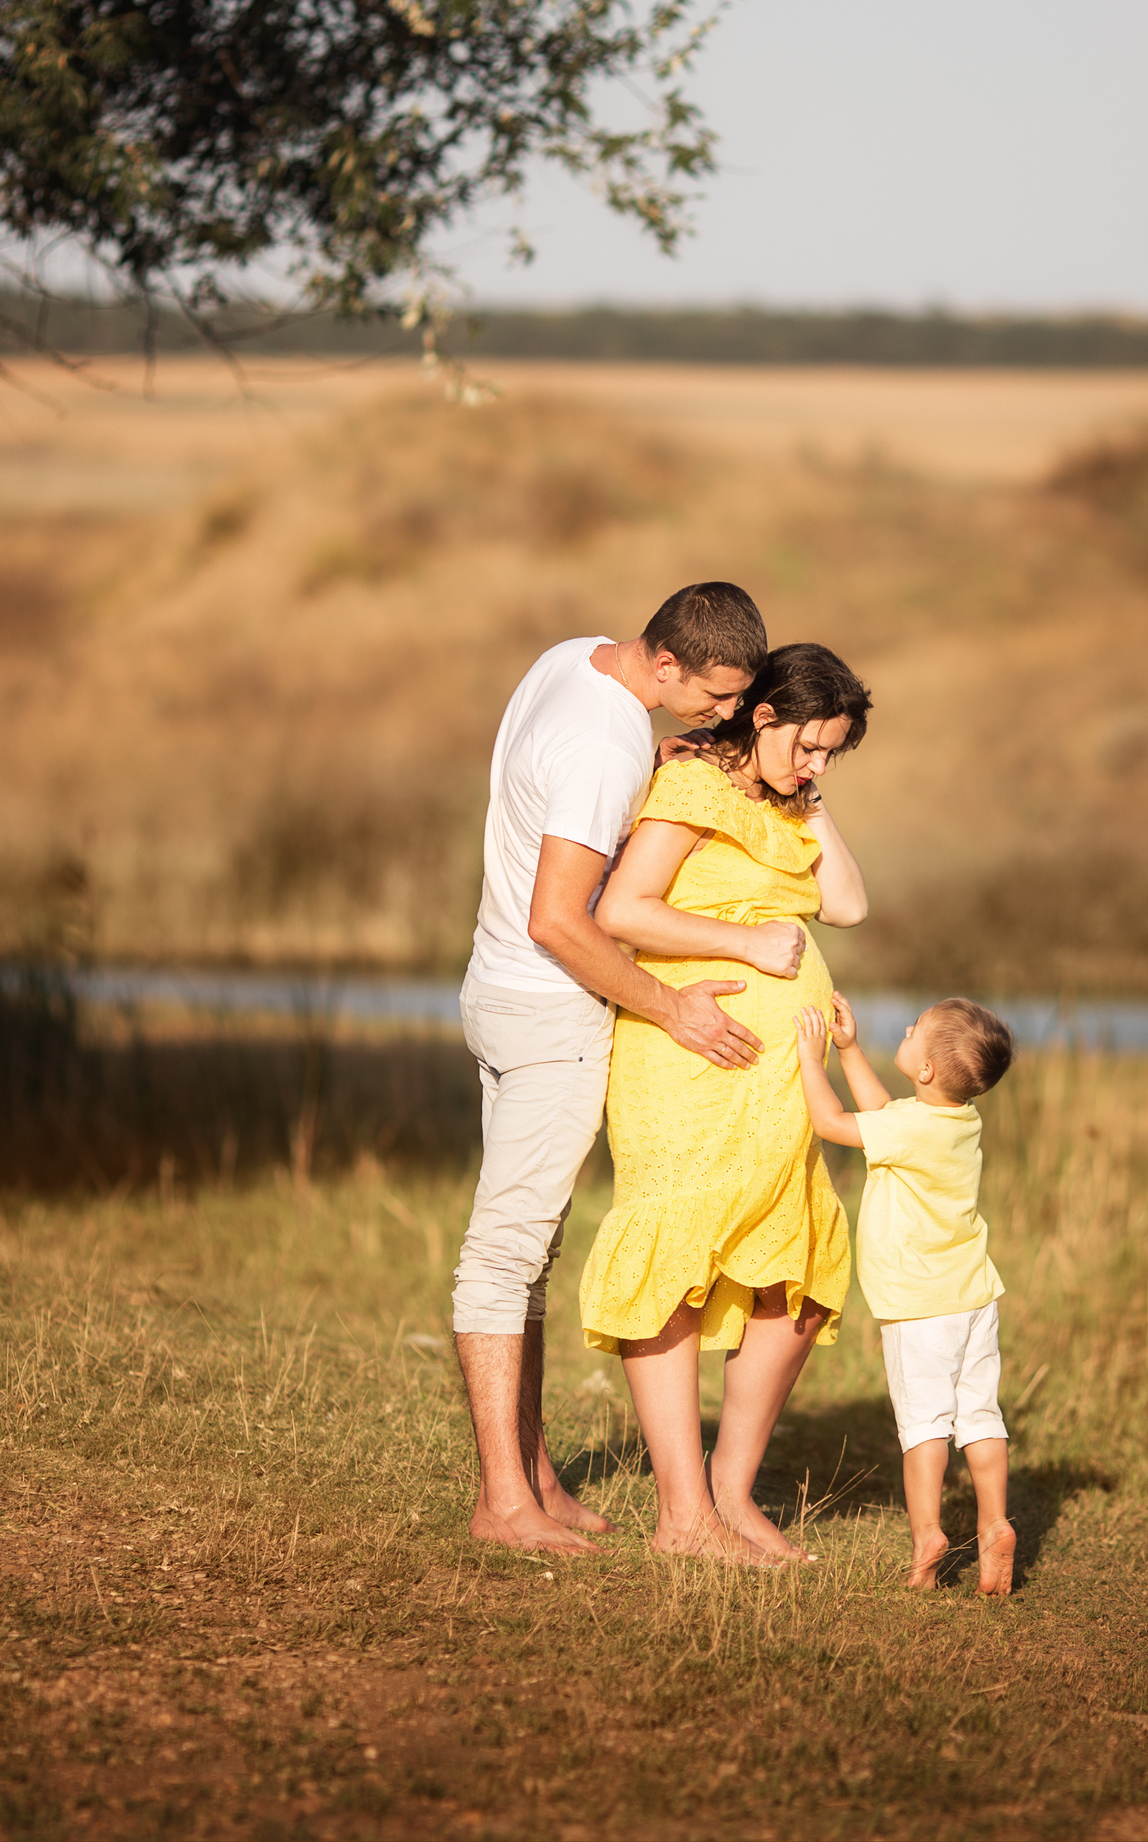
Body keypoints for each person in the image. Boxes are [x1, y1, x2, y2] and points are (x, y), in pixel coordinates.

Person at [450, 583, 775, 1558]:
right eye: (714, 699)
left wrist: (650, 762)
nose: (724, 717)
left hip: (492, 992)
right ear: (668, 664)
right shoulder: (603, 747)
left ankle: (535, 1478)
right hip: (550, 1015)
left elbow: (562, 792)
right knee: (505, 1254)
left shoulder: (575, 660)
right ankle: (503, 1504)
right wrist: (670, 1006)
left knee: (532, 1252)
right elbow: (561, 919)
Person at [585, 642, 875, 1563]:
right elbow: (623, 910)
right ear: (763, 716)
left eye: (833, 754)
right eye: (811, 745)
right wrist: (748, 950)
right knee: (678, 1261)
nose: (817, 764)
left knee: (790, 1283)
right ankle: (682, 1517)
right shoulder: (691, 790)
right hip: (689, 1058)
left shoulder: (789, 803)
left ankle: (732, 1498)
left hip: (779, 1082)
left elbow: (848, 906)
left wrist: (808, 792)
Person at [793, 993, 1019, 1595]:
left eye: (915, 1027)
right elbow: (883, 1114)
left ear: (925, 1069)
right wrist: (851, 1049)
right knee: (980, 1414)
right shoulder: (956, 1121)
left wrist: (811, 1060)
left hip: (921, 1307)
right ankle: (995, 1522)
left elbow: (833, 1124)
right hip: (974, 1297)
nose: (909, 1026)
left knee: (924, 1423)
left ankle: (927, 1534)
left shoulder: (911, 1127)